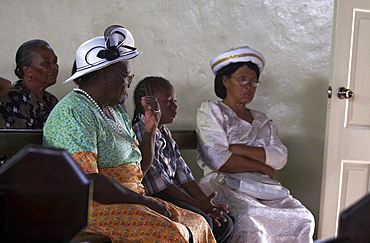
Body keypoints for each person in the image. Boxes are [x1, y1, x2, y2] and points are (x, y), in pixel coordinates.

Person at [43, 25, 216, 243]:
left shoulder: (115, 111)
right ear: (104, 75)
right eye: (126, 76)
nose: (129, 83)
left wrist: (150, 132)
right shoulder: (73, 112)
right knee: (171, 233)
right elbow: (88, 182)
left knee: (197, 222)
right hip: (90, 209)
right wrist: (145, 202)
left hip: (126, 201)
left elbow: (138, 171)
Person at [196, 46, 315, 243]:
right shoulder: (212, 111)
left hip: (264, 188)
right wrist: (261, 165)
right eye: (242, 79)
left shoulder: (262, 120)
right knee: (250, 218)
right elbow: (218, 159)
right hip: (224, 184)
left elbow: (280, 158)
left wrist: (238, 149)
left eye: (253, 81)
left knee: (303, 216)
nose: (248, 86)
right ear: (225, 81)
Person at [132, 76, 234, 243]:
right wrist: (197, 205)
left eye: (175, 101)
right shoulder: (141, 132)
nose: (175, 107)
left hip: (173, 195)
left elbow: (184, 175)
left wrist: (206, 203)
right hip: (156, 199)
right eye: (168, 102)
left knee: (225, 222)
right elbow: (162, 185)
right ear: (148, 106)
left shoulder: (164, 133)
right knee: (204, 221)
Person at [0, 39, 59, 129]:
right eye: (46, 63)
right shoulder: (15, 99)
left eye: (55, 62)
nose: (54, 67)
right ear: (27, 70)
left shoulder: (51, 100)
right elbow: (14, 140)